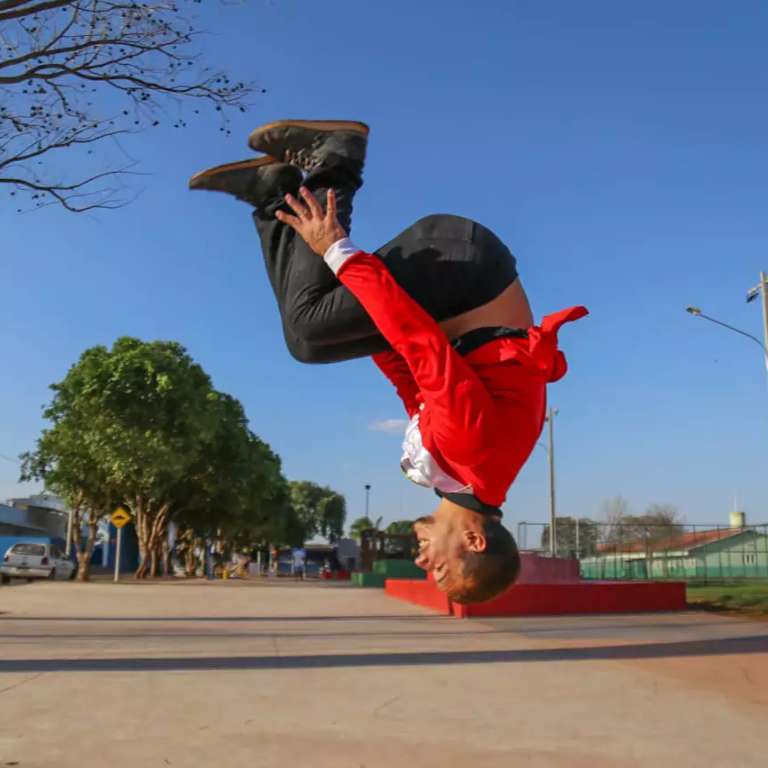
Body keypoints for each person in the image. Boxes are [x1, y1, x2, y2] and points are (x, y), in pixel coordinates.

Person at [190, 120, 587, 603]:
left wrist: (354, 318)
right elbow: (421, 346)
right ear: (474, 541)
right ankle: (335, 161)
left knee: (309, 341)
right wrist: (336, 251)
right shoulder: (472, 455)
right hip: (465, 269)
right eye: (441, 570)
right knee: (312, 327)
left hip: (453, 293)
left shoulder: (464, 476)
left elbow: (409, 377)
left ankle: (275, 194)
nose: (423, 564)